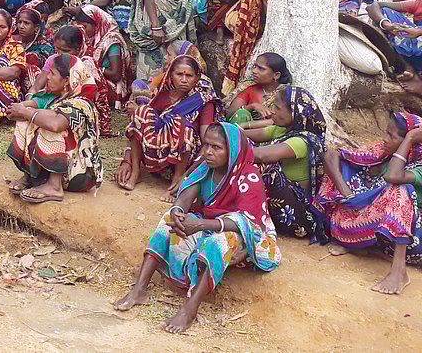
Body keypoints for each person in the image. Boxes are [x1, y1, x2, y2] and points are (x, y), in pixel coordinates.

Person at [113, 122, 281, 334]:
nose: (208, 152)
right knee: (168, 221)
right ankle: (139, 289)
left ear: (233, 150)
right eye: (206, 145)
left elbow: (247, 221)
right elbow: (184, 200)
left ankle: (190, 309)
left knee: (222, 240)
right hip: (207, 225)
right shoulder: (205, 169)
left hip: (248, 239)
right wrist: (177, 214)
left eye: (216, 147)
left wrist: (200, 224)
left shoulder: (249, 177)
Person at [318, 111, 422, 294]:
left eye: (391, 135)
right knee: (343, 167)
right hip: (382, 234)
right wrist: (348, 194)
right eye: (386, 132)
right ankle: (359, 244)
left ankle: (399, 271)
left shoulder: (419, 167)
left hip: (412, 240)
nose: (384, 139)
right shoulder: (382, 152)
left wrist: (411, 138)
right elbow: (331, 156)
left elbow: (393, 176)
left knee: (401, 190)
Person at [6, 45, 103, 203]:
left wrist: (26, 112)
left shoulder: (82, 104)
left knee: (51, 126)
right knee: (28, 119)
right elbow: (36, 105)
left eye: (52, 73)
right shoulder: (57, 96)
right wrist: (19, 109)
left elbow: (56, 125)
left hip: (78, 173)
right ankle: (30, 176)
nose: (48, 77)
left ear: (67, 80)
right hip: (61, 167)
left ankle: (55, 186)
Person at [118, 46, 218, 198]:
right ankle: (136, 171)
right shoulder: (163, 93)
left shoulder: (203, 100)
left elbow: (206, 139)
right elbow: (141, 123)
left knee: (182, 124)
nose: (184, 80)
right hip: (155, 150)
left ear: (197, 78)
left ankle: (177, 179)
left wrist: (189, 174)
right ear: (171, 75)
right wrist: (127, 160)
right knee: (142, 111)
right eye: (179, 74)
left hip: (185, 155)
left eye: (189, 76)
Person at [244, 85, 329, 243]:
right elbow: (245, 135)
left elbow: (262, 155)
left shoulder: (302, 141)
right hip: (282, 202)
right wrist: (225, 134)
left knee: (269, 171)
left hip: (298, 214)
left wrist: (227, 150)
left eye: (277, 107)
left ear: (294, 112)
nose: (272, 110)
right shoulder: (283, 130)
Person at [225, 52, 292, 123]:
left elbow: (281, 123)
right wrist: (252, 106)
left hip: (270, 132)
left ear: (276, 75)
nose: (254, 71)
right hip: (242, 131)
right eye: (255, 66)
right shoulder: (250, 89)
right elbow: (230, 116)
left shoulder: (285, 95)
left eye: (261, 68)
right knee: (243, 114)